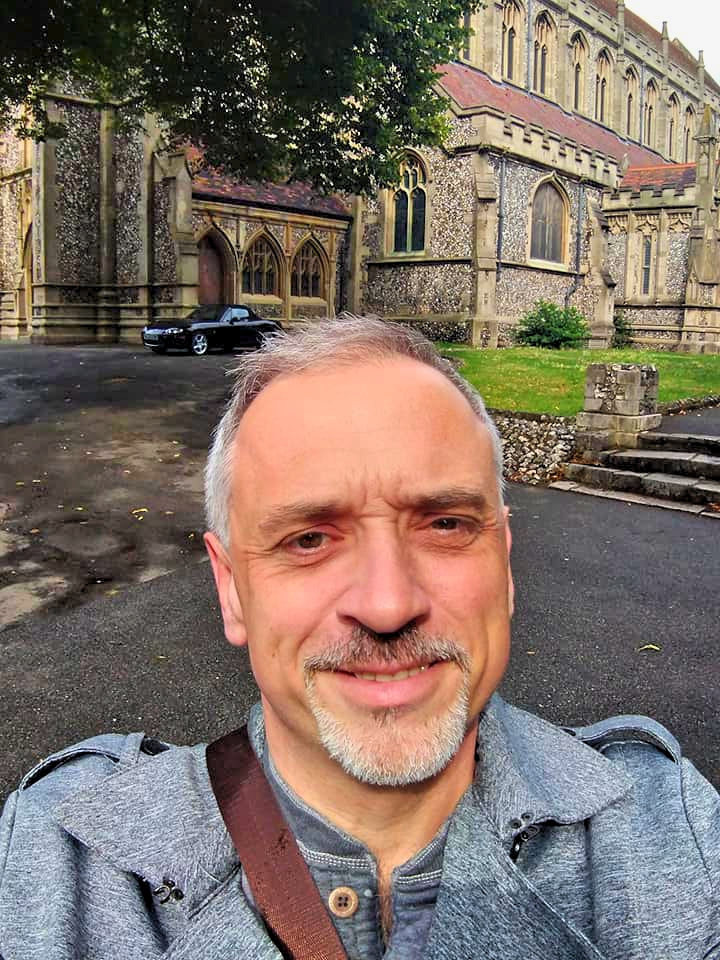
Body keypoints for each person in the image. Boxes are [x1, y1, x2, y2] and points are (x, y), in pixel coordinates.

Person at [0, 317, 718, 960]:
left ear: (504, 563)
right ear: (231, 588)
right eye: (309, 539)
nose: (386, 605)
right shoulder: (68, 857)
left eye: (445, 524)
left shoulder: (667, 830)